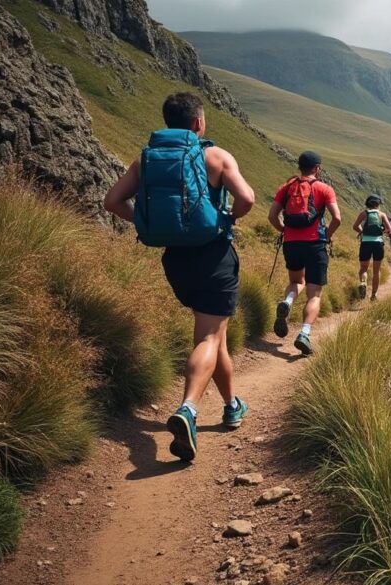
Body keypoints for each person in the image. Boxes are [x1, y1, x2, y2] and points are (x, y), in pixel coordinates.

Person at [104, 92, 255, 462]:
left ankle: (232, 404)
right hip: (214, 257)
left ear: (167, 121)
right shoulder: (216, 156)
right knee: (208, 335)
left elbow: (111, 202)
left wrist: (143, 222)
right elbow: (247, 199)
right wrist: (225, 220)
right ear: (199, 123)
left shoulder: (146, 159)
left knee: (213, 334)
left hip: (175, 261)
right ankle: (188, 408)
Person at [268, 151, 341, 356]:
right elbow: (337, 218)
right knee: (314, 293)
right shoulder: (324, 188)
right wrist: (326, 234)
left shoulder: (287, 187)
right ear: (317, 168)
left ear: (299, 166)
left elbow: (272, 216)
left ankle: (288, 301)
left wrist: (285, 230)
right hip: (315, 244)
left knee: (295, 282)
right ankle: (304, 334)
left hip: (291, 243)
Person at [352, 194, 391, 302]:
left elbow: (355, 226)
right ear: (378, 204)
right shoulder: (382, 214)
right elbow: (389, 229)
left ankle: (363, 282)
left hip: (365, 243)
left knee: (363, 268)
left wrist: (362, 232)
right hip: (378, 243)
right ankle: (373, 296)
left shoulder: (364, 213)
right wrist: (381, 232)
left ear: (368, 203)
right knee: (376, 271)